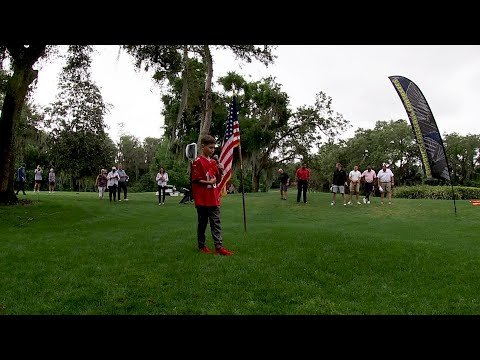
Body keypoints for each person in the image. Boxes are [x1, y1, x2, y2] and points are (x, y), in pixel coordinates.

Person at [191, 134, 233, 256]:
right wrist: (208, 182)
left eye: (214, 148)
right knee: (203, 223)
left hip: (213, 197)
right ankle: (201, 245)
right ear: (203, 146)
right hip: (203, 199)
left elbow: (218, 180)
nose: (212, 150)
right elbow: (196, 180)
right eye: (210, 147)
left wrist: (220, 169)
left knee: (216, 222)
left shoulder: (214, 162)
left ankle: (219, 247)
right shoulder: (197, 162)